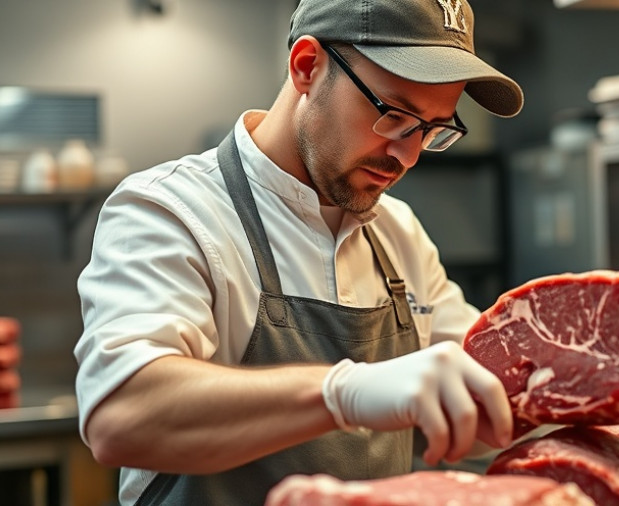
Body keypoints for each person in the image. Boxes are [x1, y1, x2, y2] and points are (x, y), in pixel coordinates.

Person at [73, 0, 524, 504]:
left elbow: (488, 391)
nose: (408, 154)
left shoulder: (397, 232)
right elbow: (121, 416)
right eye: (395, 115)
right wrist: (345, 393)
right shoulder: (170, 210)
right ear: (307, 66)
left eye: (434, 129)